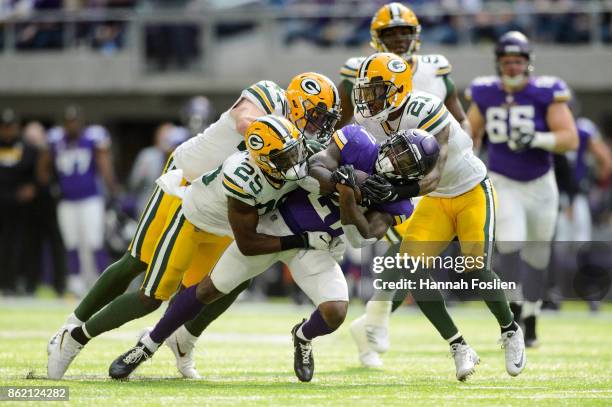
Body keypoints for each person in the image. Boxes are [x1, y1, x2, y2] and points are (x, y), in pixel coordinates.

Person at [47, 73, 342, 380]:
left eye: (327, 120)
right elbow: (245, 119)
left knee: (230, 280)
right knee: (138, 264)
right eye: (318, 116)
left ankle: (184, 339)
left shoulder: (305, 146)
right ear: (297, 104)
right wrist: (277, 134)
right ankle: (72, 326)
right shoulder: (269, 96)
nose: (321, 126)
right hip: (187, 183)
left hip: (229, 207)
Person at [108, 126, 436, 382]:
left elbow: (363, 234)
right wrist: (346, 180)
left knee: (336, 311)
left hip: (316, 246)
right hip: (276, 226)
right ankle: (146, 346)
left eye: (405, 162)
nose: (394, 159)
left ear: (411, 175)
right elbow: (316, 166)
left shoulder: (400, 203)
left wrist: (352, 196)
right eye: (397, 150)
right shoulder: (358, 141)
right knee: (209, 289)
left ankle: (303, 337)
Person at [349, 52, 525, 380]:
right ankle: (458, 345)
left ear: (398, 89)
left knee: (475, 269)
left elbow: (433, 173)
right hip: (435, 200)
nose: (367, 98)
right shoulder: (369, 119)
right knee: (407, 267)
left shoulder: (425, 108)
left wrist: (394, 193)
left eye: (375, 90)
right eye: (365, 90)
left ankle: (510, 329)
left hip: (470, 188)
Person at [466, 31, 579, 347]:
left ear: (528, 63)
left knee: (537, 253)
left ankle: (531, 313)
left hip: (541, 183)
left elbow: (570, 137)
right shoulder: (485, 92)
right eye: (507, 61)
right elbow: (470, 132)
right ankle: (514, 306)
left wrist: (538, 139)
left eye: (518, 61)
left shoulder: (546, 92)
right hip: (503, 179)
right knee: (510, 242)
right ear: (498, 63)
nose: (512, 67)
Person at [337, 2, 471, 135]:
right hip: (375, 153)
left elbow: (461, 121)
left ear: (415, 34)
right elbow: (335, 126)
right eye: (390, 33)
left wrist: (464, 149)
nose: (398, 39)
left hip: (431, 151)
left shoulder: (434, 68)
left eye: (405, 32)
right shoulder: (360, 70)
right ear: (377, 37)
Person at [47, 106, 118, 296]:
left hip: (90, 198)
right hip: (67, 200)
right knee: (72, 243)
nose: (72, 125)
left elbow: (104, 165)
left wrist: (113, 189)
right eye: (69, 121)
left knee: (94, 241)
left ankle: (101, 282)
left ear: (82, 122)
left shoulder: (93, 138)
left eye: (75, 121)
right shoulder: (56, 141)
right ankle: (75, 283)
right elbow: (45, 168)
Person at [0, 109, 41, 294]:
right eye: (4, 127)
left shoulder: (28, 148)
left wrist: (32, 187)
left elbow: (37, 173)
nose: (8, 131)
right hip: (2, 201)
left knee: (22, 243)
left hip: (21, 204)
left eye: (11, 127)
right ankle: (4, 282)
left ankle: (21, 281)